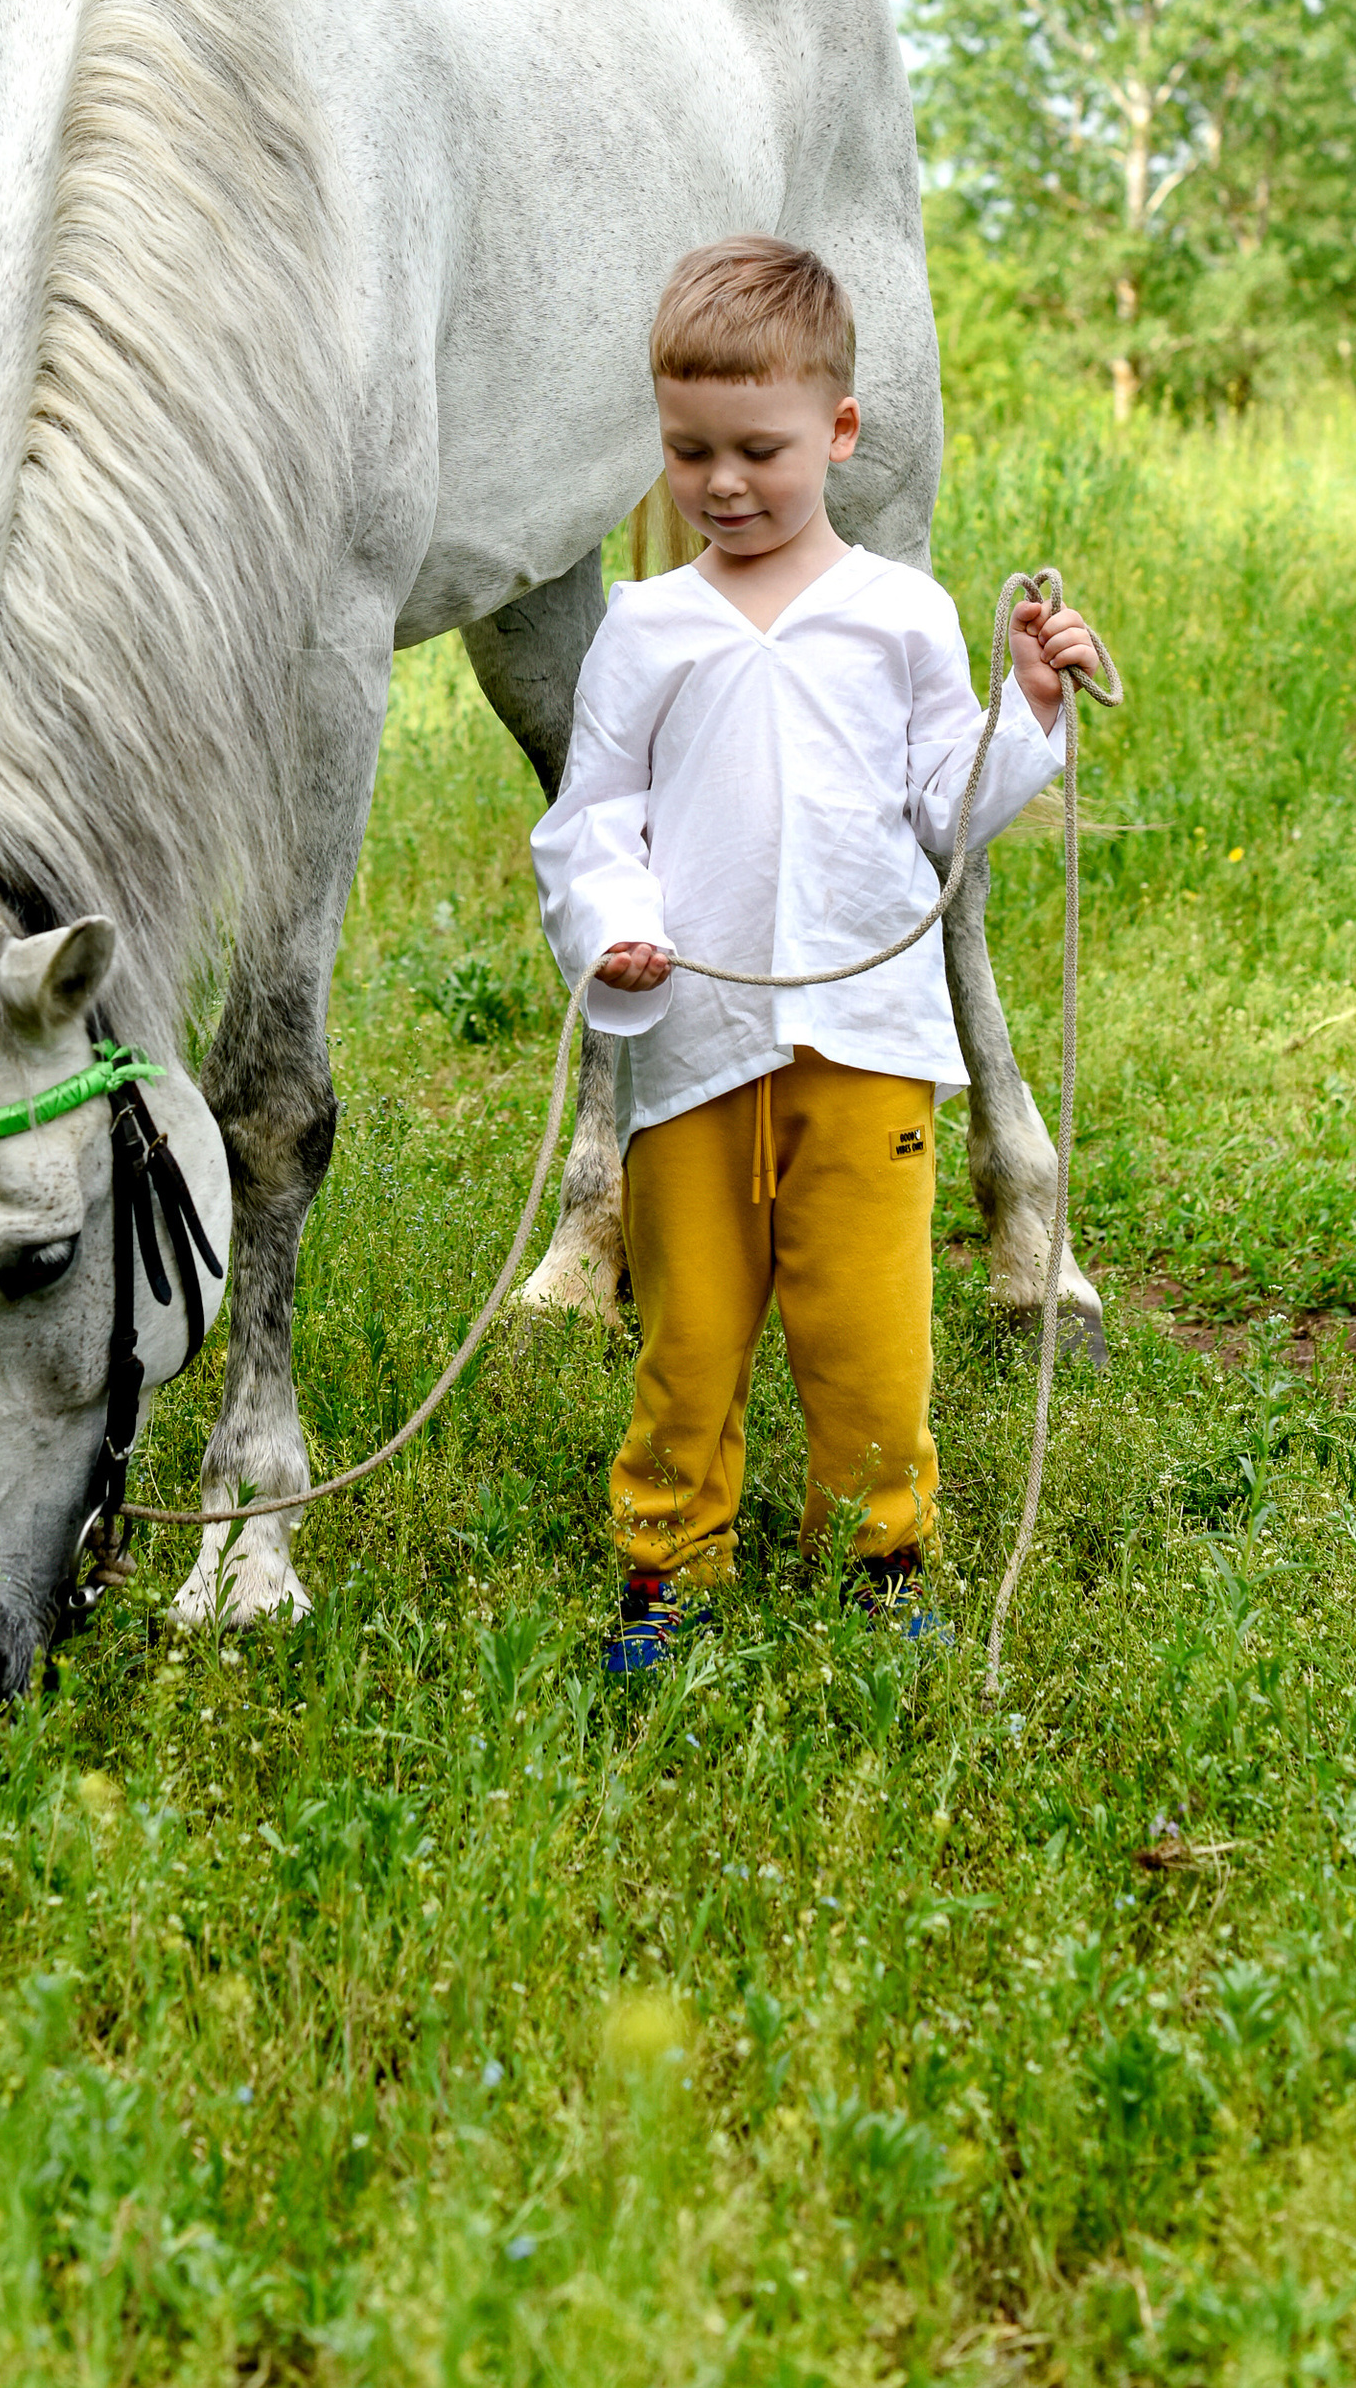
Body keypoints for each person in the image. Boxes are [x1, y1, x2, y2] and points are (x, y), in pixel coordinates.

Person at [530, 235, 1104, 1672]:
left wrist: (1022, 707)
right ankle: (667, 1572)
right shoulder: (644, 630)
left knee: (870, 1336)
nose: (724, 483)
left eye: (760, 449)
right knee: (692, 1335)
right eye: (690, 450)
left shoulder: (900, 612)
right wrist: (621, 930)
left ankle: (881, 1560)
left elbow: (943, 812)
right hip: (692, 1052)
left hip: (868, 1043)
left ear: (839, 433)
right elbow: (590, 820)